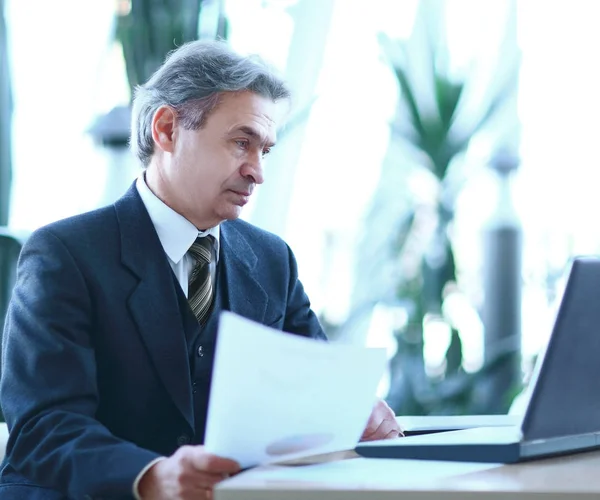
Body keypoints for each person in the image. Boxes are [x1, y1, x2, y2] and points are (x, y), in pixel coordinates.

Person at [0, 40, 402, 500]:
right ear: (167, 129)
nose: (257, 172)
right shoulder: (64, 255)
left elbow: (312, 395)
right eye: (241, 142)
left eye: (265, 151)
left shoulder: (273, 261)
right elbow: (42, 428)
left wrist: (350, 413)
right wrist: (149, 476)